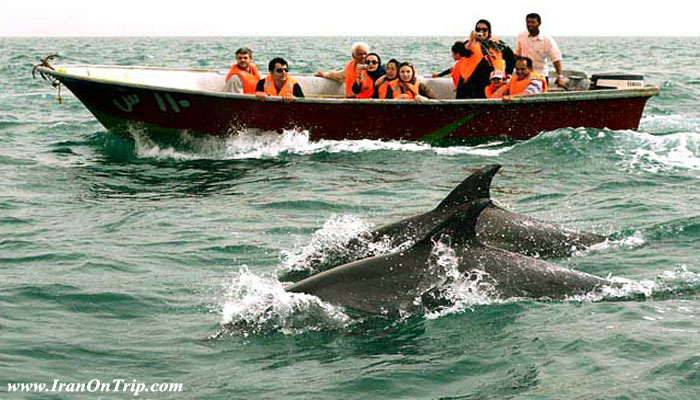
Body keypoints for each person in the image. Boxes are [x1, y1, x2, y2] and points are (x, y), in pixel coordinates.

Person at [456, 19, 515, 99]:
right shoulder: (470, 44)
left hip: (490, 83)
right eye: (478, 29)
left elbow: (511, 59)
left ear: (489, 32)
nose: (481, 32)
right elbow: (463, 52)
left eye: (484, 30)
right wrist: (471, 40)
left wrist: (507, 75)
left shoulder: (498, 44)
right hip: (470, 84)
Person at [515, 13, 565, 88]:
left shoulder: (547, 39)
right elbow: (517, 55)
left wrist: (560, 76)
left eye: (533, 22)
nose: (530, 25)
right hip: (524, 74)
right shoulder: (521, 36)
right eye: (528, 22)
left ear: (539, 23)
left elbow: (556, 58)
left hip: (540, 75)